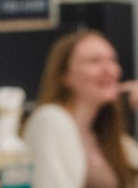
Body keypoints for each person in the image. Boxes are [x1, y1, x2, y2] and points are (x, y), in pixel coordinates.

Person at [23, 29, 138, 188]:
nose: (109, 70)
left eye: (112, 60)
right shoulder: (50, 120)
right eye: (94, 61)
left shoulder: (118, 142)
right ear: (64, 76)